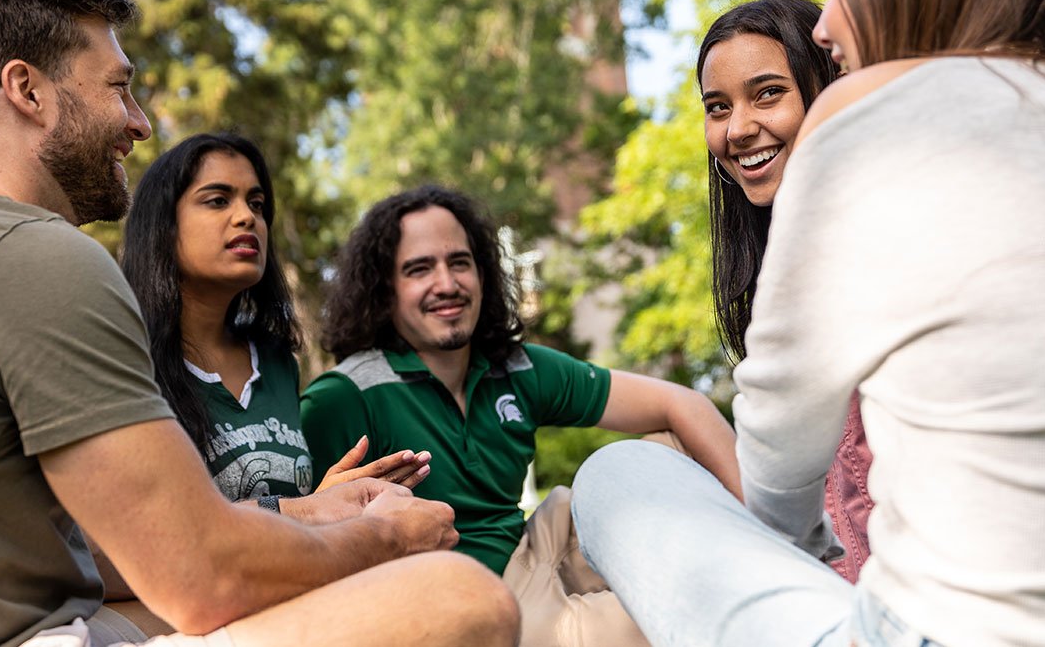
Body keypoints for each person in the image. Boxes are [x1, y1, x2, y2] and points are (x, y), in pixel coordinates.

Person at [0, 0, 517, 647]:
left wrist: (311, 519)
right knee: (459, 599)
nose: (138, 124)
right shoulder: (32, 252)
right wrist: (381, 537)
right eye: (118, 87)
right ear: (26, 90)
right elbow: (201, 579)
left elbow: (107, 551)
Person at [572, 0, 1045, 646]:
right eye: (717, 106)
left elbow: (777, 480)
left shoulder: (864, 119)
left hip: (938, 627)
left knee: (618, 474)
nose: (827, 25)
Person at [301, 184, 740, 646]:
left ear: (483, 273)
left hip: (535, 547)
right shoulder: (343, 397)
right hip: (468, 604)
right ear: (384, 291)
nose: (447, 284)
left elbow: (682, 403)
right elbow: (303, 544)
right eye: (419, 269)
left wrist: (772, 524)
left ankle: (771, 558)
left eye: (459, 262)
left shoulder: (515, 366)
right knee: (670, 619)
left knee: (675, 451)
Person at [120, 132, 428, 508]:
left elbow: (294, 518)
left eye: (257, 203)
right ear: (162, 226)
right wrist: (308, 511)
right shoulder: (126, 357)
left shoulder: (275, 360)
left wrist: (329, 498)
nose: (246, 216)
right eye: (218, 201)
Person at [699, 0, 871, 582]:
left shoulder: (866, 237)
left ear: (828, 89)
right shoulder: (777, 257)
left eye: (768, 92)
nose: (739, 129)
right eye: (717, 108)